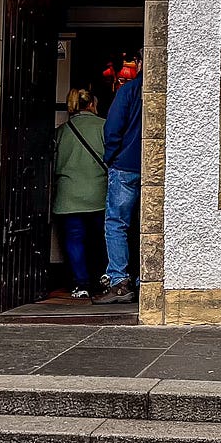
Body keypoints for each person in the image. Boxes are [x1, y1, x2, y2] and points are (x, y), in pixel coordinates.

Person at [96, 52, 143, 305]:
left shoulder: (128, 91)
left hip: (125, 166)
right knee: (145, 224)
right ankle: (143, 278)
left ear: (139, 63)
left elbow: (112, 128)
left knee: (116, 223)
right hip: (153, 167)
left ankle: (119, 281)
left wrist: (111, 157)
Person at [53, 87, 108, 302]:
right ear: (92, 104)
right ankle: (103, 281)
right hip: (98, 193)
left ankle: (80, 284)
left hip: (68, 196)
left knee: (74, 241)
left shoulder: (61, 131)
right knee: (101, 240)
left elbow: (55, 163)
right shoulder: (103, 127)